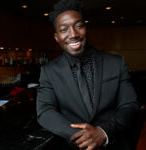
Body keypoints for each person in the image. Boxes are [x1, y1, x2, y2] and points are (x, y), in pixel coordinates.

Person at [36, 0, 139, 149]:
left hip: (114, 143)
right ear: (57, 38)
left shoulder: (116, 63)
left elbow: (129, 105)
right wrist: (84, 137)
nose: (73, 34)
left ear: (86, 28)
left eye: (79, 26)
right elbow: (45, 111)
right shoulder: (49, 71)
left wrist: (103, 133)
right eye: (64, 29)